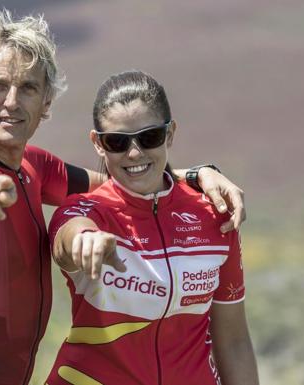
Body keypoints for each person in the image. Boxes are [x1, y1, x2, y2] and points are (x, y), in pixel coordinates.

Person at [0, 9, 246, 385]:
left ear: (46, 102)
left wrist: (198, 175)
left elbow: (124, 177)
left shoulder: (33, 166)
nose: (12, 101)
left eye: (29, 88)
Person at [46, 70, 258, 385]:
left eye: (149, 137)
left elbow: (234, 341)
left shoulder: (214, 215)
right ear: (98, 144)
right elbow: (67, 240)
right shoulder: (87, 210)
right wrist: (83, 241)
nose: (134, 153)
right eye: (117, 141)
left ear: (170, 134)